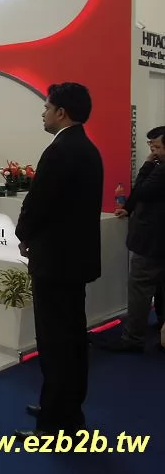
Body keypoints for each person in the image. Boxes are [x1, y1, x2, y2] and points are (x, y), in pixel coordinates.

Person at [15, 82, 102, 439]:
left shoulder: (60, 151)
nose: (43, 113)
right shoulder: (87, 148)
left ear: (61, 112)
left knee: (55, 343)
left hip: (55, 262)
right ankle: (64, 410)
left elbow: (40, 203)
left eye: (47, 107)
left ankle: (54, 424)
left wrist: (23, 234)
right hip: (74, 260)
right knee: (71, 339)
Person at [96, 126, 165, 352]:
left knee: (140, 287)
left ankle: (132, 339)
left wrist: (147, 165)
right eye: (151, 147)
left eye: (157, 147)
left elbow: (143, 189)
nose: (153, 151)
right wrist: (128, 208)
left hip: (152, 241)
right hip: (157, 241)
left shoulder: (160, 170)